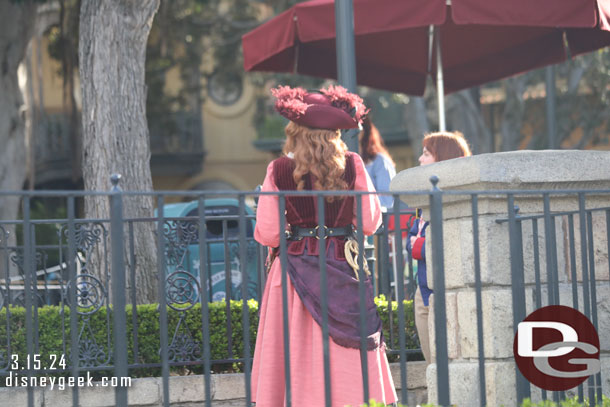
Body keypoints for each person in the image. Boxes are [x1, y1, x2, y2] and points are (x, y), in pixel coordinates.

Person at [251, 84, 397, 407]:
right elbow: (371, 222)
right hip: (342, 262)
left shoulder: (279, 170)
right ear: (334, 133)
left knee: (298, 343)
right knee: (348, 343)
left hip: (293, 266)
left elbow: (269, 232)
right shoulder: (354, 164)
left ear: (295, 132)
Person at [406, 131, 472, 364]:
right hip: (422, 289)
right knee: (431, 361)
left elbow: (449, 243)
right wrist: (421, 245)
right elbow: (411, 240)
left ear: (442, 158)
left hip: (447, 289)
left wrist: (421, 245)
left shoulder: (456, 199)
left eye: (426, 154)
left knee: (450, 362)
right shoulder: (423, 201)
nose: (420, 160)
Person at [359, 117, 397, 211]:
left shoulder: (379, 160)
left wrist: (359, 201)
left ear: (363, 131)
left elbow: (387, 199)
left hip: (376, 219)